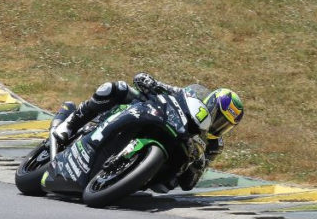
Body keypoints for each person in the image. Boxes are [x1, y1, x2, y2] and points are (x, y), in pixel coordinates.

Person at [51, 72, 244, 192]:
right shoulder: (191, 96)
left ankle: (127, 177)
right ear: (210, 103)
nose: (218, 125)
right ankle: (70, 124)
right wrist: (149, 81)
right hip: (155, 118)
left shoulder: (215, 145)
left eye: (224, 124)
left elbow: (189, 184)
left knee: (165, 186)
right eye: (218, 117)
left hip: (169, 159)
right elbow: (161, 86)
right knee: (115, 89)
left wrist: (199, 164)